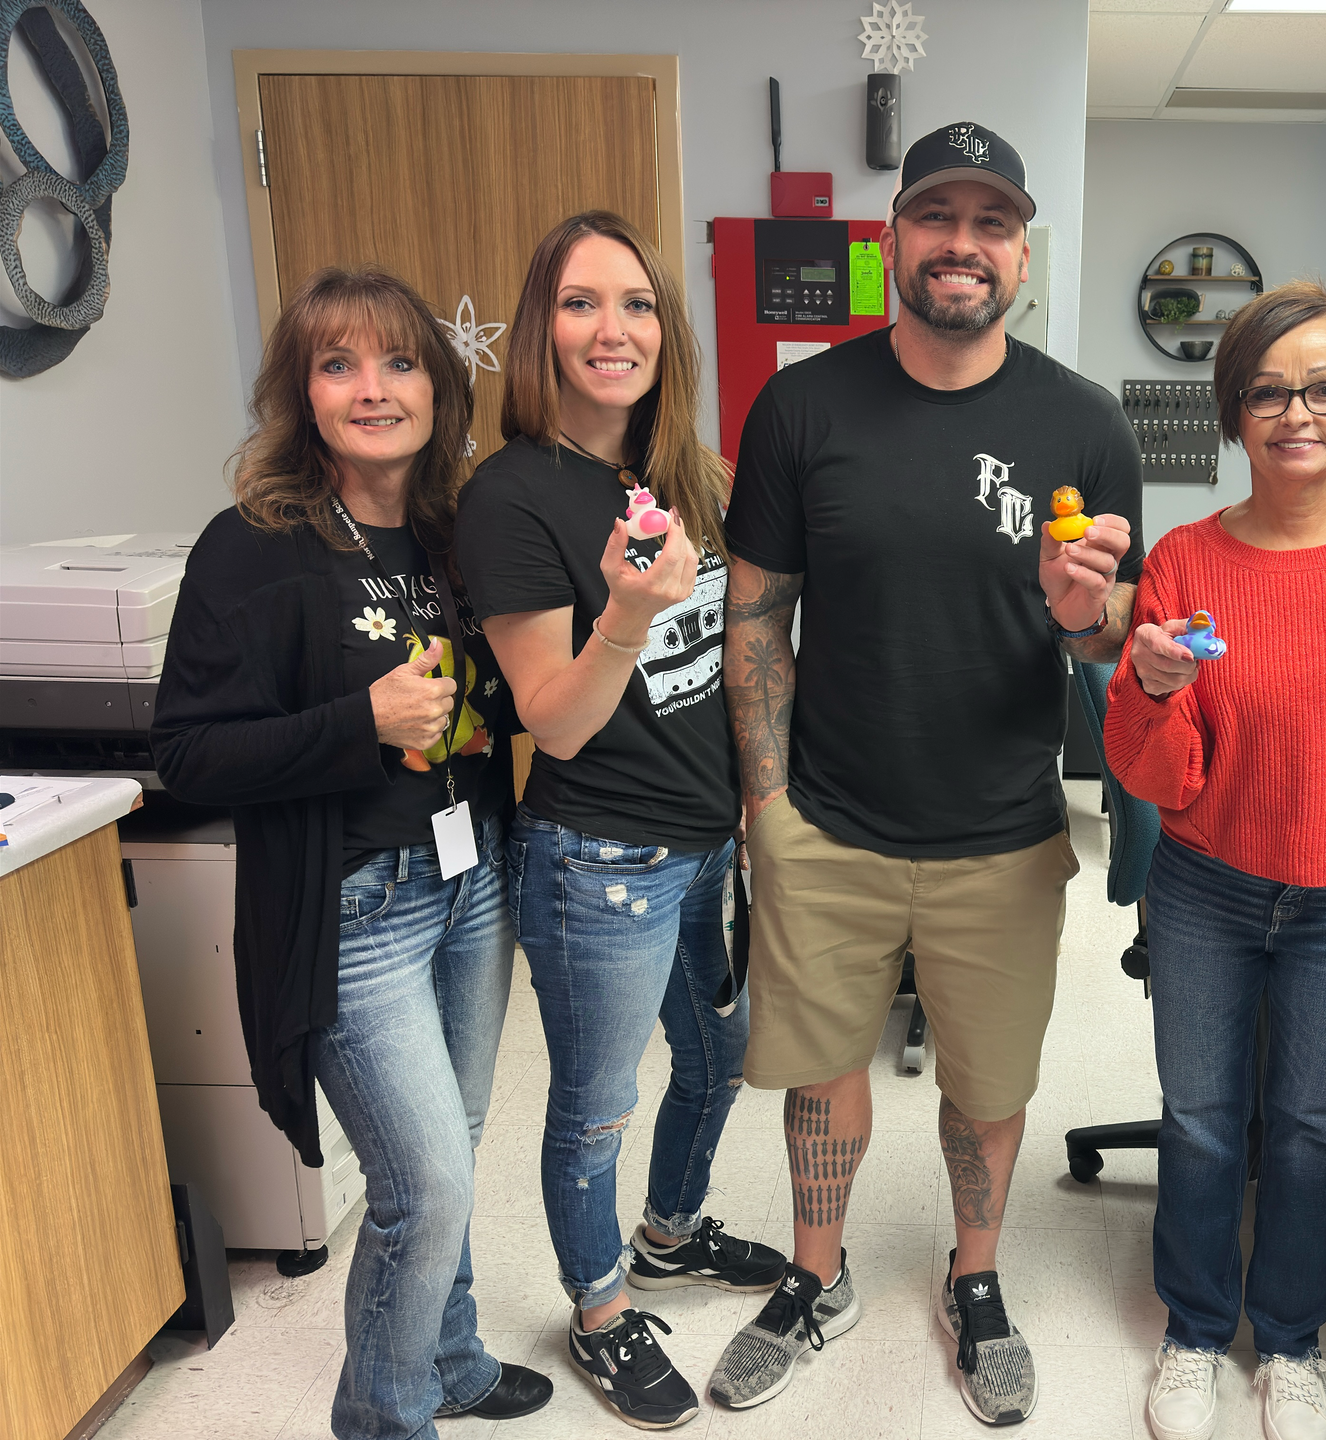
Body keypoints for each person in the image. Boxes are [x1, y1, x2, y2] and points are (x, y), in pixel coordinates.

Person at [712, 120, 1142, 1425]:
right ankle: (814, 1274)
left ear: (1021, 251)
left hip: (1004, 831)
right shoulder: (801, 406)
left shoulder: (1083, 422)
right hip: (826, 818)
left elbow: (1114, 641)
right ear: (893, 236)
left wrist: (1090, 618)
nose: (964, 244)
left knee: (988, 1085)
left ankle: (977, 1279)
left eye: (992, 223)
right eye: (938, 217)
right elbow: (755, 616)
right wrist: (768, 807)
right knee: (820, 1069)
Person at [154, 266, 551, 1438]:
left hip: (468, 877)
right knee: (421, 1183)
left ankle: (453, 1358)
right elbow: (187, 753)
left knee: (454, 1151)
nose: (372, 389)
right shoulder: (253, 547)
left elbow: (505, 695)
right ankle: (384, 1418)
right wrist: (357, 726)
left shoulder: (455, 528)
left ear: (437, 386)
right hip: (355, 908)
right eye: (339, 365)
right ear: (303, 394)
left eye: (398, 362)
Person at [455, 211, 784, 1431]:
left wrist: (752, 808)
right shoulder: (512, 499)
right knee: (595, 1106)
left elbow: (727, 654)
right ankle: (599, 1311)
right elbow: (561, 717)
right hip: (601, 858)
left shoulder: (677, 472)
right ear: (542, 328)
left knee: (721, 1058)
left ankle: (669, 1236)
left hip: (703, 844)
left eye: (637, 304)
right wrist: (625, 616)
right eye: (583, 303)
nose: (614, 329)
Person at [1104, 281, 1326, 1440]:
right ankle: (1196, 1330)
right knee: (1198, 1114)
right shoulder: (1186, 560)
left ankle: (1290, 1341)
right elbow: (1153, 776)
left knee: (1312, 1121)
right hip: (1205, 885)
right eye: (1268, 392)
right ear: (1232, 412)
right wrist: (1147, 690)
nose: (1299, 413)